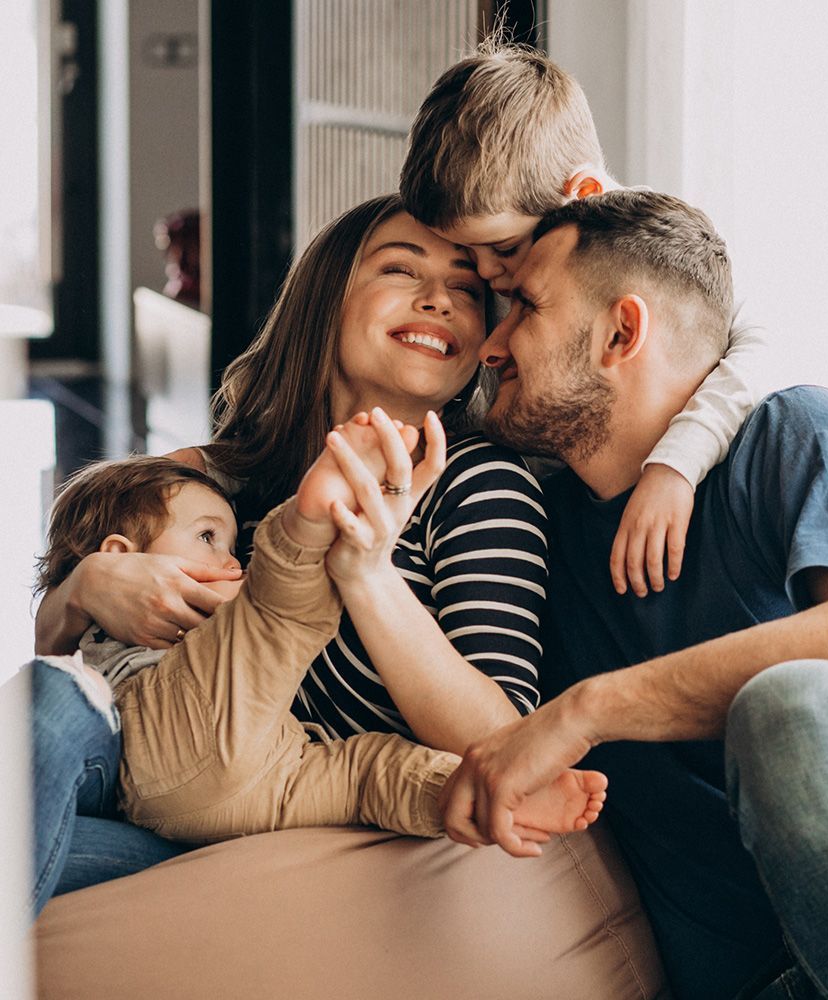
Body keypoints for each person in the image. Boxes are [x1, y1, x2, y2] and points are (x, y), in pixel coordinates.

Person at [439, 189, 828, 1000]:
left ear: (622, 332)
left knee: (793, 708)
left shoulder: (793, 434)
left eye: (523, 305)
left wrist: (586, 710)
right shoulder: (531, 536)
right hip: (769, 984)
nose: (490, 345)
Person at [28, 194, 553, 911]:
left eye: (465, 289)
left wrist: (366, 576)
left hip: (307, 831)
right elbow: (70, 663)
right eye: (403, 270)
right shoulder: (220, 478)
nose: (439, 301)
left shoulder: (478, 480)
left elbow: (501, 739)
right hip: (155, 800)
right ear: (326, 298)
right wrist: (84, 587)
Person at [30, 439, 603, 899]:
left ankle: (476, 795)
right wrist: (83, 588)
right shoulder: (242, 471)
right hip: (173, 779)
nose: (232, 561)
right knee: (286, 628)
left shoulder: (481, 480)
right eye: (209, 539)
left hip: (268, 773)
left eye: (231, 543)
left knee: (366, 770)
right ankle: (308, 530)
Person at [399, 38, 769, 596]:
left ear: (583, 194)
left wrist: (674, 464)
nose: (488, 276)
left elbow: (759, 345)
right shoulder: (500, 251)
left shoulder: (659, 254)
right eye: (465, 256)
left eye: (500, 247)